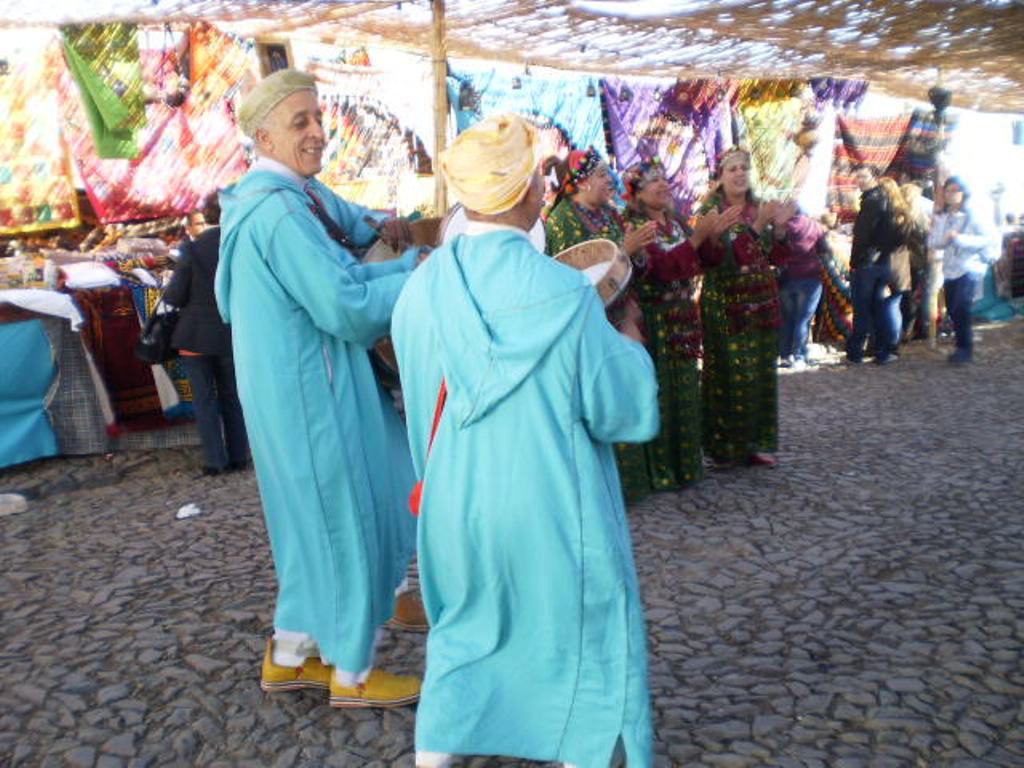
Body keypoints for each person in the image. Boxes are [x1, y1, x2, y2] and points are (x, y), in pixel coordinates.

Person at [392, 114, 659, 768]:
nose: (547, 185)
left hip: (456, 505)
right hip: (552, 506)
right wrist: (631, 347)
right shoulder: (566, 293)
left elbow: (422, 402)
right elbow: (622, 411)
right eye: (539, 174)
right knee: (577, 633)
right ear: (522, 191)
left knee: (463, 636)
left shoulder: (420, 289)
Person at [215, 69, 422, 707]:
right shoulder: (277, 212)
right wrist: (421, 271)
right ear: (263, 137)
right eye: (299, 122)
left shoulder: (292, 196)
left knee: (310, 525)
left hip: (299, 391)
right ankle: (351, 672)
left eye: (316, 117)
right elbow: (346, 308)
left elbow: (355, 222)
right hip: (312, 395)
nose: (316, 131)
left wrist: (393, 229)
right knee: (341, 522)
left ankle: (289, 652)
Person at [543, 147, 658, 501]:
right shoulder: (562, 219)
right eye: (601, 176)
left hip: (621, 317)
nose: (609, 181)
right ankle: (604, 489)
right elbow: (570, 276)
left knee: (622, 390)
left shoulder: (610, 214)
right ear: (581, 182)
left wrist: (635, 256)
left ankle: (633, 484)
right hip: (588, 325)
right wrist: (624, 247)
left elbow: (629, 267)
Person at [621, 158, 729, 490]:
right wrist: (696, 239)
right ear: (637, 193)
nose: (663, 185)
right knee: (660, 394)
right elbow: (662, 269)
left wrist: (712, 238)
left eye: (665, 178)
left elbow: (707, 262)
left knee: (684, 391)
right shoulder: (635, 226)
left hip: (682, 320)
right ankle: (662, 471)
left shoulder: (676, 222)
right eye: (654, 181)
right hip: (655, 321)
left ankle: (686, 466)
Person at [696, 147, 791, 468]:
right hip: (726, 307)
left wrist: (777, 231)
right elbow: (719, 262)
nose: (739, 174)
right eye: (732, 169)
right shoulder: (711, 210)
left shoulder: (758, 207)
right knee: (729, 375)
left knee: (760, 375)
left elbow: (775, 259)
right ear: (720, 177)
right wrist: (756, 227)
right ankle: (723, 448)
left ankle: (755, 443)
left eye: (743, 168)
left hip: (761, 305)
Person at [163, 193, 249, 476]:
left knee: (204, 400)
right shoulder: (239, 244)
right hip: (230, 333)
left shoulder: (193, 249)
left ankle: (215, 460)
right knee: (232, 396)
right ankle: (240, 455)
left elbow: (175, 295)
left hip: (195, 337)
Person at [928, 175, 999, 363]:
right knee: (952, 308)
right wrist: (942, 240)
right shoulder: (943, 216)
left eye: (955, 191)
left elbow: (988, 239)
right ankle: (961, 345)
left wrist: (960, 239)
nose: (951, 195)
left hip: (969, 268)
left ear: (963, 193)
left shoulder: (973, 215)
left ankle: (964, 348)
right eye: (948, 190)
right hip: (949, 269)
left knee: (961, 306)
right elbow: (932, 241)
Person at [777, 210, 829, 369]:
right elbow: (825, 249)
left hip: (787, 278)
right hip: (809, 277)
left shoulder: (782, 226)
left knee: (788, 319)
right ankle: (798, 355)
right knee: (803, 320)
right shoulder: (815, 226)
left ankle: (785, 355)